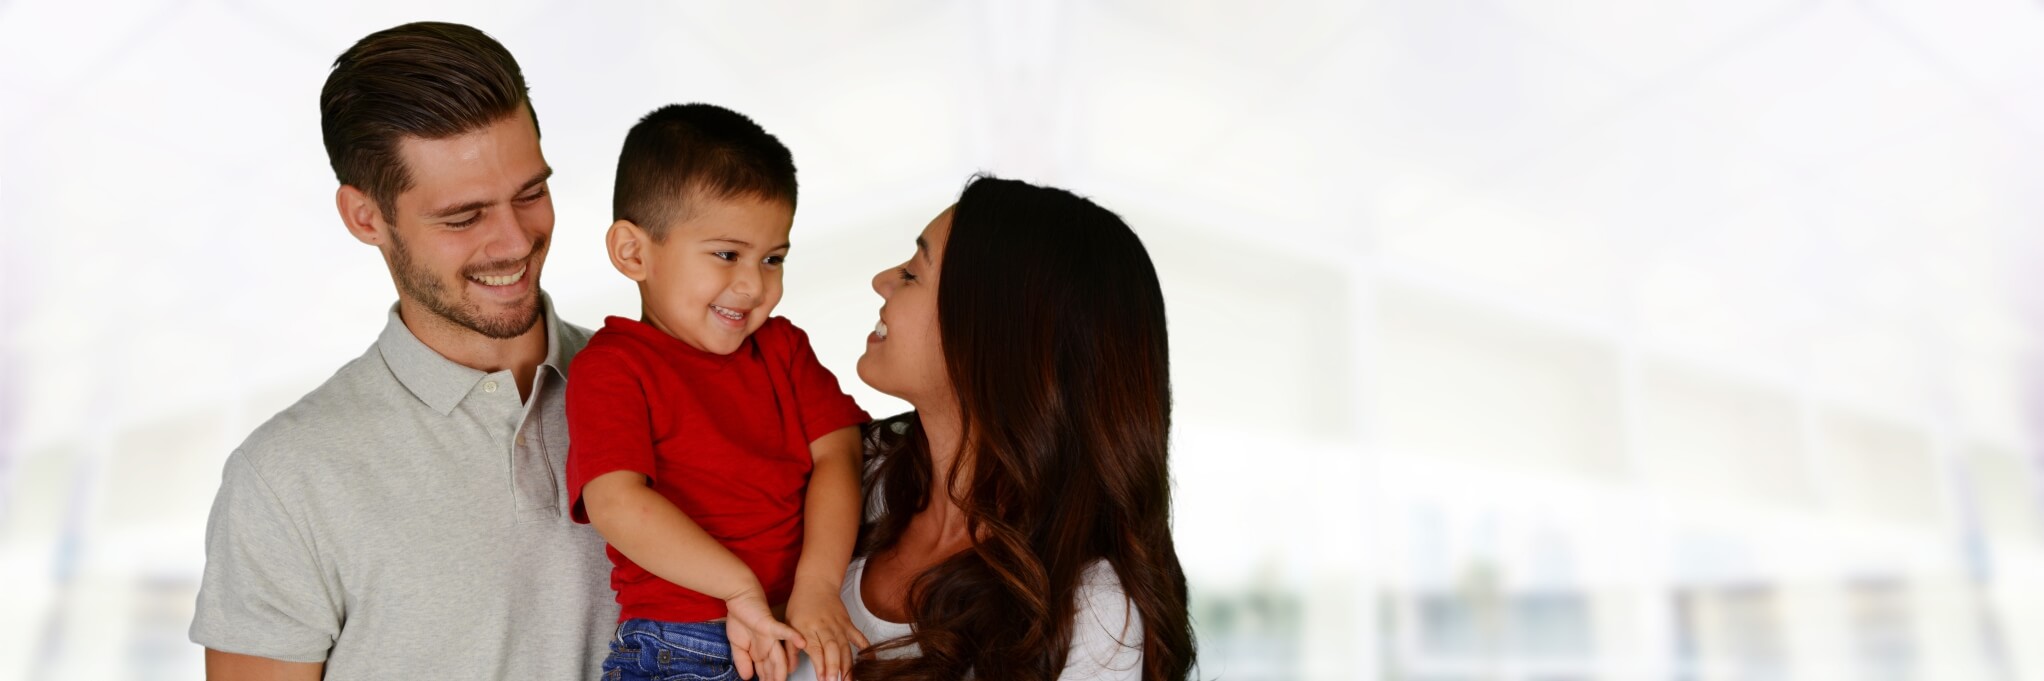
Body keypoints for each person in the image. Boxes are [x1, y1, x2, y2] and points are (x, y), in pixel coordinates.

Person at [189, 22, 616, 679]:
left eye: (531, 193)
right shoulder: (286, 479)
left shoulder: (664, 384)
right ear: (366, 218)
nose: (514, 240)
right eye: (463, 216)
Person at [795, 176, 1198, 680]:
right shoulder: (857, 470)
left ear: (991, 334)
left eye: (914, 273)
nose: (882, 279)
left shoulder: (1092, 617)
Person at [567, 103, 872, 681]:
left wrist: (816, 585)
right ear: (634, 253)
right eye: (727, 254)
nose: (754, 285)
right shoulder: (611, 367)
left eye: (773, 258)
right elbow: (616, 503)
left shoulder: (782, 348)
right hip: (679, 646)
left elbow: (841, 454)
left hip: (794, 630)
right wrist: (737, 589)